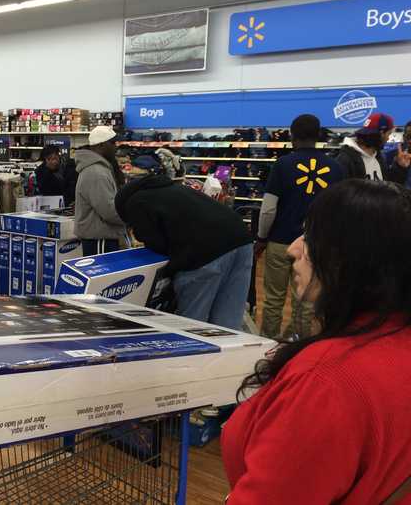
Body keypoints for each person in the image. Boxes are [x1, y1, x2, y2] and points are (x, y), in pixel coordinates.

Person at [223, 180, 411, 503]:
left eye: (311, 237)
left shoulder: (326, 382)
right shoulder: (393, 339)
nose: (295, 249)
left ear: (352, 258)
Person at [115, 174, 253, 330]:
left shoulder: (135, 203)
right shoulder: (172, 189)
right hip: (241, 240)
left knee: (191, 325)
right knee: (228, 320)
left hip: (204, 251)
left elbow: (156, 244)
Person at [256, 114, 344, 340]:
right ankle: (296, 346)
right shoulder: (335, 167)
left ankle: (267, 345)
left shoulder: (282, 164)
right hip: (314, 244)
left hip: (280, 241)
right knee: (305, 301)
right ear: (318, 135)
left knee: (274, 299)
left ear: (292, 135)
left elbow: (268, 209)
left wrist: (261, 237)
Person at [74, 125, 127, 256]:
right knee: (104, 275)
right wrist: (132, 218)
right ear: (102, 145)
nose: (116, 147)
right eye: (113, 143)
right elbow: (109, 210)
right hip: (99, 239)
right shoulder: (96, 172)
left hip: (102, 237)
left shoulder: (100, 169)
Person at [335, 112, 410, 182]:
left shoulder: (378, 156)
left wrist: (400, 167)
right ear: (381, 133)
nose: (388, 139)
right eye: (389, 134)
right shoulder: (346, 160)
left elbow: (389, 187)